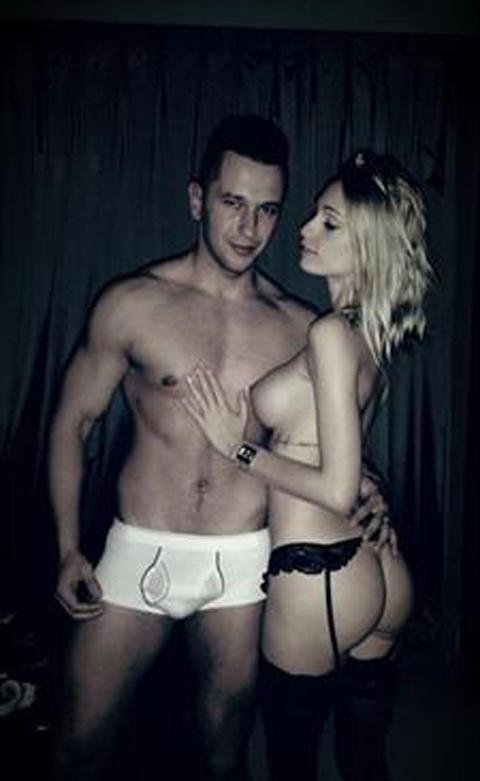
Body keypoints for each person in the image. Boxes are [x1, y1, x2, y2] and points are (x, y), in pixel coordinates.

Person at [49, 116, 389, 781]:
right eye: (233, 202)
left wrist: (371, 486)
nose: (248, 227)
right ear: (197, 198)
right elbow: (71, 424)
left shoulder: (300, 326)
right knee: (77, 747)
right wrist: (66, 547)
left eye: (268, 209)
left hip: (241, 563)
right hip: (141, 547)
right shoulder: (131, 304)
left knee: (222, 753)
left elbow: (329, 448)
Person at [180, 149, 432, 779]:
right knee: (365, 760)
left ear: (367, 247)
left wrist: (236, 448)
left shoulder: (329, 334)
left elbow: (336, 486)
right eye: (314, 214)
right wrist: (371, 485)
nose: (304, 229)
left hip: (317, 575)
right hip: (378, 568)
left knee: (292, 763)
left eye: (329, 222)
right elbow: (343, 457)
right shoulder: (366, 332)